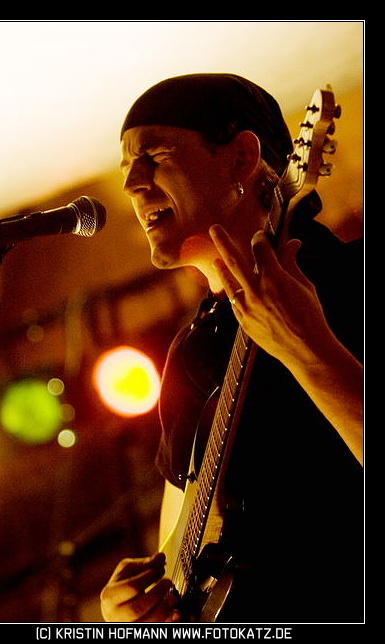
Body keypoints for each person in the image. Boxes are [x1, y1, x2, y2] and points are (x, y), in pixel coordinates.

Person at [99, 74, 363, 623]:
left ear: (242, 157)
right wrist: (133, 610)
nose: (132, 185)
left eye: (154, 157)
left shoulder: (351, 279)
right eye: (126, 170)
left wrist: (308, 350)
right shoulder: (190, 353)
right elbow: (179, 543)